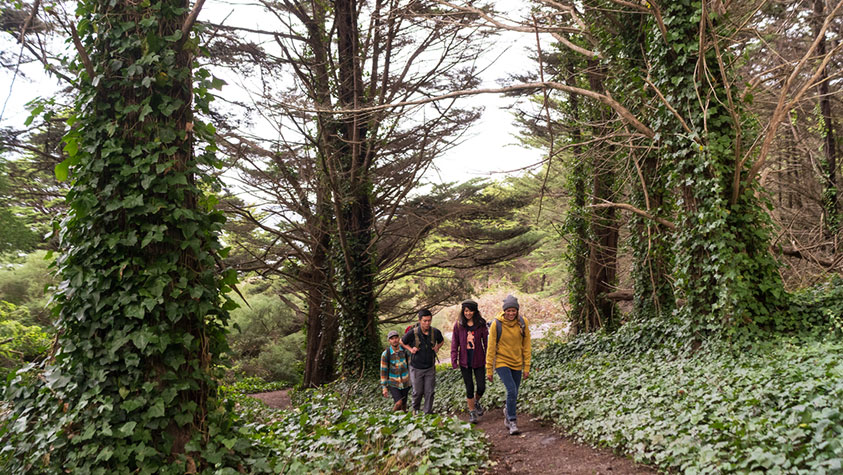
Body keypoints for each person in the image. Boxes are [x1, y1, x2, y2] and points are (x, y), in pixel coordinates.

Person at [486, 294, 531, 435]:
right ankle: (512, 421)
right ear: (504, 311)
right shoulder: (496, 324)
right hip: (501, 361)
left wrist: (527, 366)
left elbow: (527, 345)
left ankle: (507, 411)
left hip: (517, 362)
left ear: (517, 310)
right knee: (511, 390)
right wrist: (489, 369)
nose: (511, 313)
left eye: (514, 310)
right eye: (508, 311)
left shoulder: (523, 323)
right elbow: (491, 347)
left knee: (515, 392)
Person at [450, 299, 489, 423]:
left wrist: (489, 357)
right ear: (463, 311)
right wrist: (453, 358)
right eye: (466, 311)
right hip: (464, 361)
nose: (468, 313)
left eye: (470, 310)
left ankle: (476, 401)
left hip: (479, 359)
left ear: (475, 311)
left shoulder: (481, 324)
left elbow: (487, 342)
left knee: (481, 386)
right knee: (469, 387)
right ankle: (472, 412)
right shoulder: (459, 325)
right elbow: (454, 343)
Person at [401, 308, 444, 414]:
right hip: (416, 368)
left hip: (430, 367)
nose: (427, 323)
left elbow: (441, 341)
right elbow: (402, 342)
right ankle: (415, 411)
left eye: (429, 320)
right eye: (425, 321)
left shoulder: (435, 332)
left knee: (429, 392)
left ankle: (427, 413)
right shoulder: (413, 333)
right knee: (418, 392)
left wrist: (437, 347)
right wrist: (411, 349)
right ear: (419, 320)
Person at [380, 330, 412, 411]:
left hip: (405, 381)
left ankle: (403, 420)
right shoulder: (386, 354)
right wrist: (384, 387)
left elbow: (411, 366)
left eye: (396, 338)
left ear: (399, 338)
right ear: (389, 341)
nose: (394, 340)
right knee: (398, 403)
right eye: (392, 339)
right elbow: (383, 371)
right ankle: (391, 418)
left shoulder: (405, 351)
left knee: (404, 404)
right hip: (393, 382)